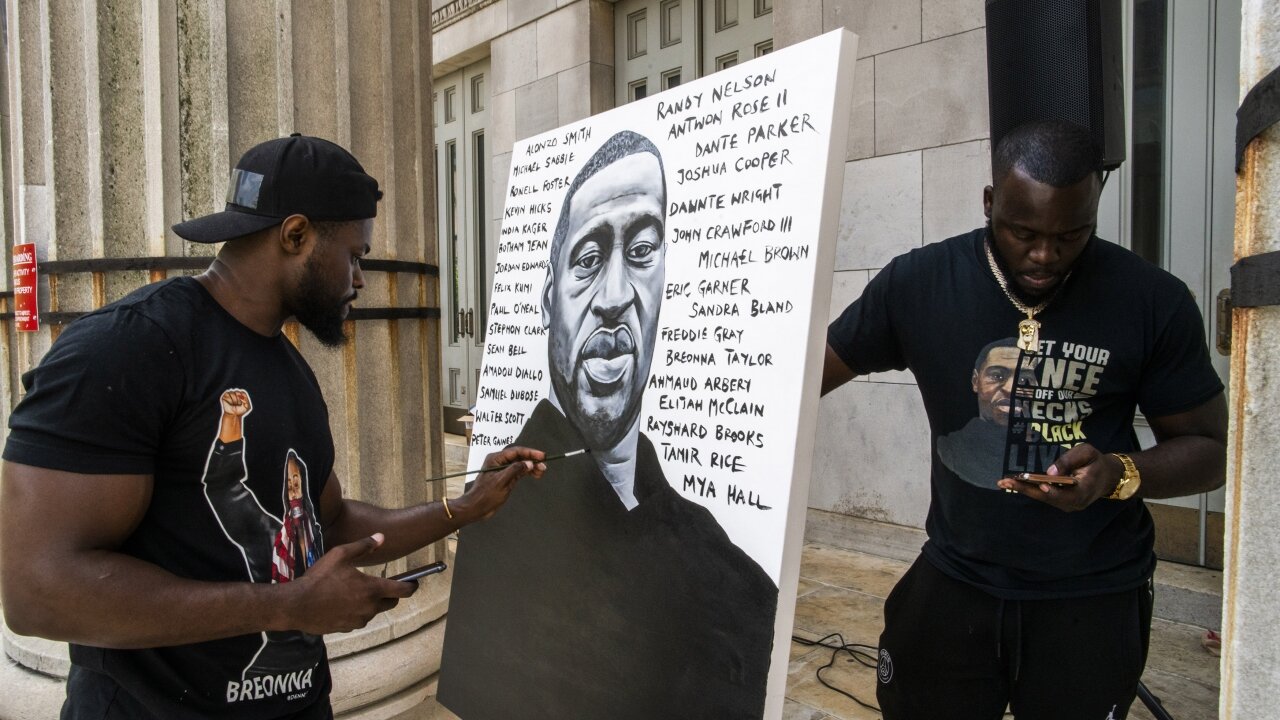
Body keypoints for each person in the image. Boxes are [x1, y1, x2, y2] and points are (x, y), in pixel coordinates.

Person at [0, 134, 546, 720]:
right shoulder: (129, 348)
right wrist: (285, 608)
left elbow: (328, 522)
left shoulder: (290, 370)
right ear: (295, 235)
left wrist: (462, 510)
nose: (360, 279)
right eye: (355, 255)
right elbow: (38, 592)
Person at [823, 120, 1227, 719]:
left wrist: (1117, 473)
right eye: (1022, 231)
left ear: (1095, 207)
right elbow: (804, 378)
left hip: (1092, 590)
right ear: (990, 203)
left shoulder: (1151, 299)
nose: (1044, 255)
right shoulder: (919, 283)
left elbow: (1208, 450)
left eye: (1071, 234)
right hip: (958, 576)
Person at [440, 130, 779, 720]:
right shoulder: (496, 518)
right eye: (589, 260)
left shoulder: (732, 578)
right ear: (549, 299)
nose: (616, 296)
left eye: (642, 251)